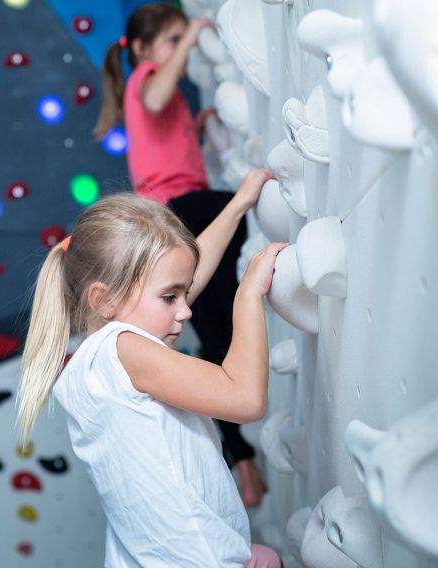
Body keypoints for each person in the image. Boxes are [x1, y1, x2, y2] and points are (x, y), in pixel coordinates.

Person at [15, 171, 284, 567]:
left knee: (265, 556)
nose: (186, 309)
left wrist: (238, 205)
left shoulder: (96, 364)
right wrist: (246, 294)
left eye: (183, 293)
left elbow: (179, 279)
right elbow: (244, 399)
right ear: (104, 300)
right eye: (171, 298)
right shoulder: (122, 350)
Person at [94, 1, 267, 507]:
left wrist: (195, 125)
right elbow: (153, 98)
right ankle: (242, 449)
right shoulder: (144, 80)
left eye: (179, 40)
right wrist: (191, 36)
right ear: (145, 51)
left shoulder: (162, 96)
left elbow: (163, 133)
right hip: (177, 208)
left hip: (177, 210)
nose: (180, 48)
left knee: (213, 327)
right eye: (169, 41)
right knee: (217, 313)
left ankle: (242, 458)